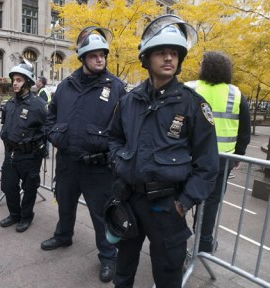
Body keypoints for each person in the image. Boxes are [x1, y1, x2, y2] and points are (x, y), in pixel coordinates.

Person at [108, 15, 219, 288]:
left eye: (174, 53)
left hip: (168, 207)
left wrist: (184, 203)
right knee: (123, 269)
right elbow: (113, 138)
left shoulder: (193, 105)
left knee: (168, 275)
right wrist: (118, 162)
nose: (169, 58)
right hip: (129, 199)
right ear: (146, 59)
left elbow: (207, 164)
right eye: (161, 53)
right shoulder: (129, 101)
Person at [40, 26, 126, 283]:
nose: (100, 59)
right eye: (94, 55)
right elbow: (50, 117)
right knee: (64, 202)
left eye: (103, 55)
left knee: (101, 215)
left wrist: (112, 153)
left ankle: (108, 256)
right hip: (67, 162)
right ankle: (63, 235)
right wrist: (54, 135)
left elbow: (124, 130)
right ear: (83, 57)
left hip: (98, 168)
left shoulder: (117, 88)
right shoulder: (65, 86)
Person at [185, 51, 251, 252]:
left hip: (189, 156)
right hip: (222, 159)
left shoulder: (189, 88)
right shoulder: (236, 94)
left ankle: (176, 239)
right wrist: (238, 155)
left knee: (181, 196)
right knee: (211, 202)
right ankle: (204, 242)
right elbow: (244, 130)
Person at [0, 60, 47, 232]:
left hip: (30, 155)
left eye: (19, 80)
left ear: (27, 81)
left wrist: (42, 149)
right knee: (8, 186)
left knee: (29, 188)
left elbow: (48, 127)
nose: (15, 83)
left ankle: (26, 217)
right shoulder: (10, 104)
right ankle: (14, 214)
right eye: (14, 80)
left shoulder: (38, 105)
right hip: (11, 154)